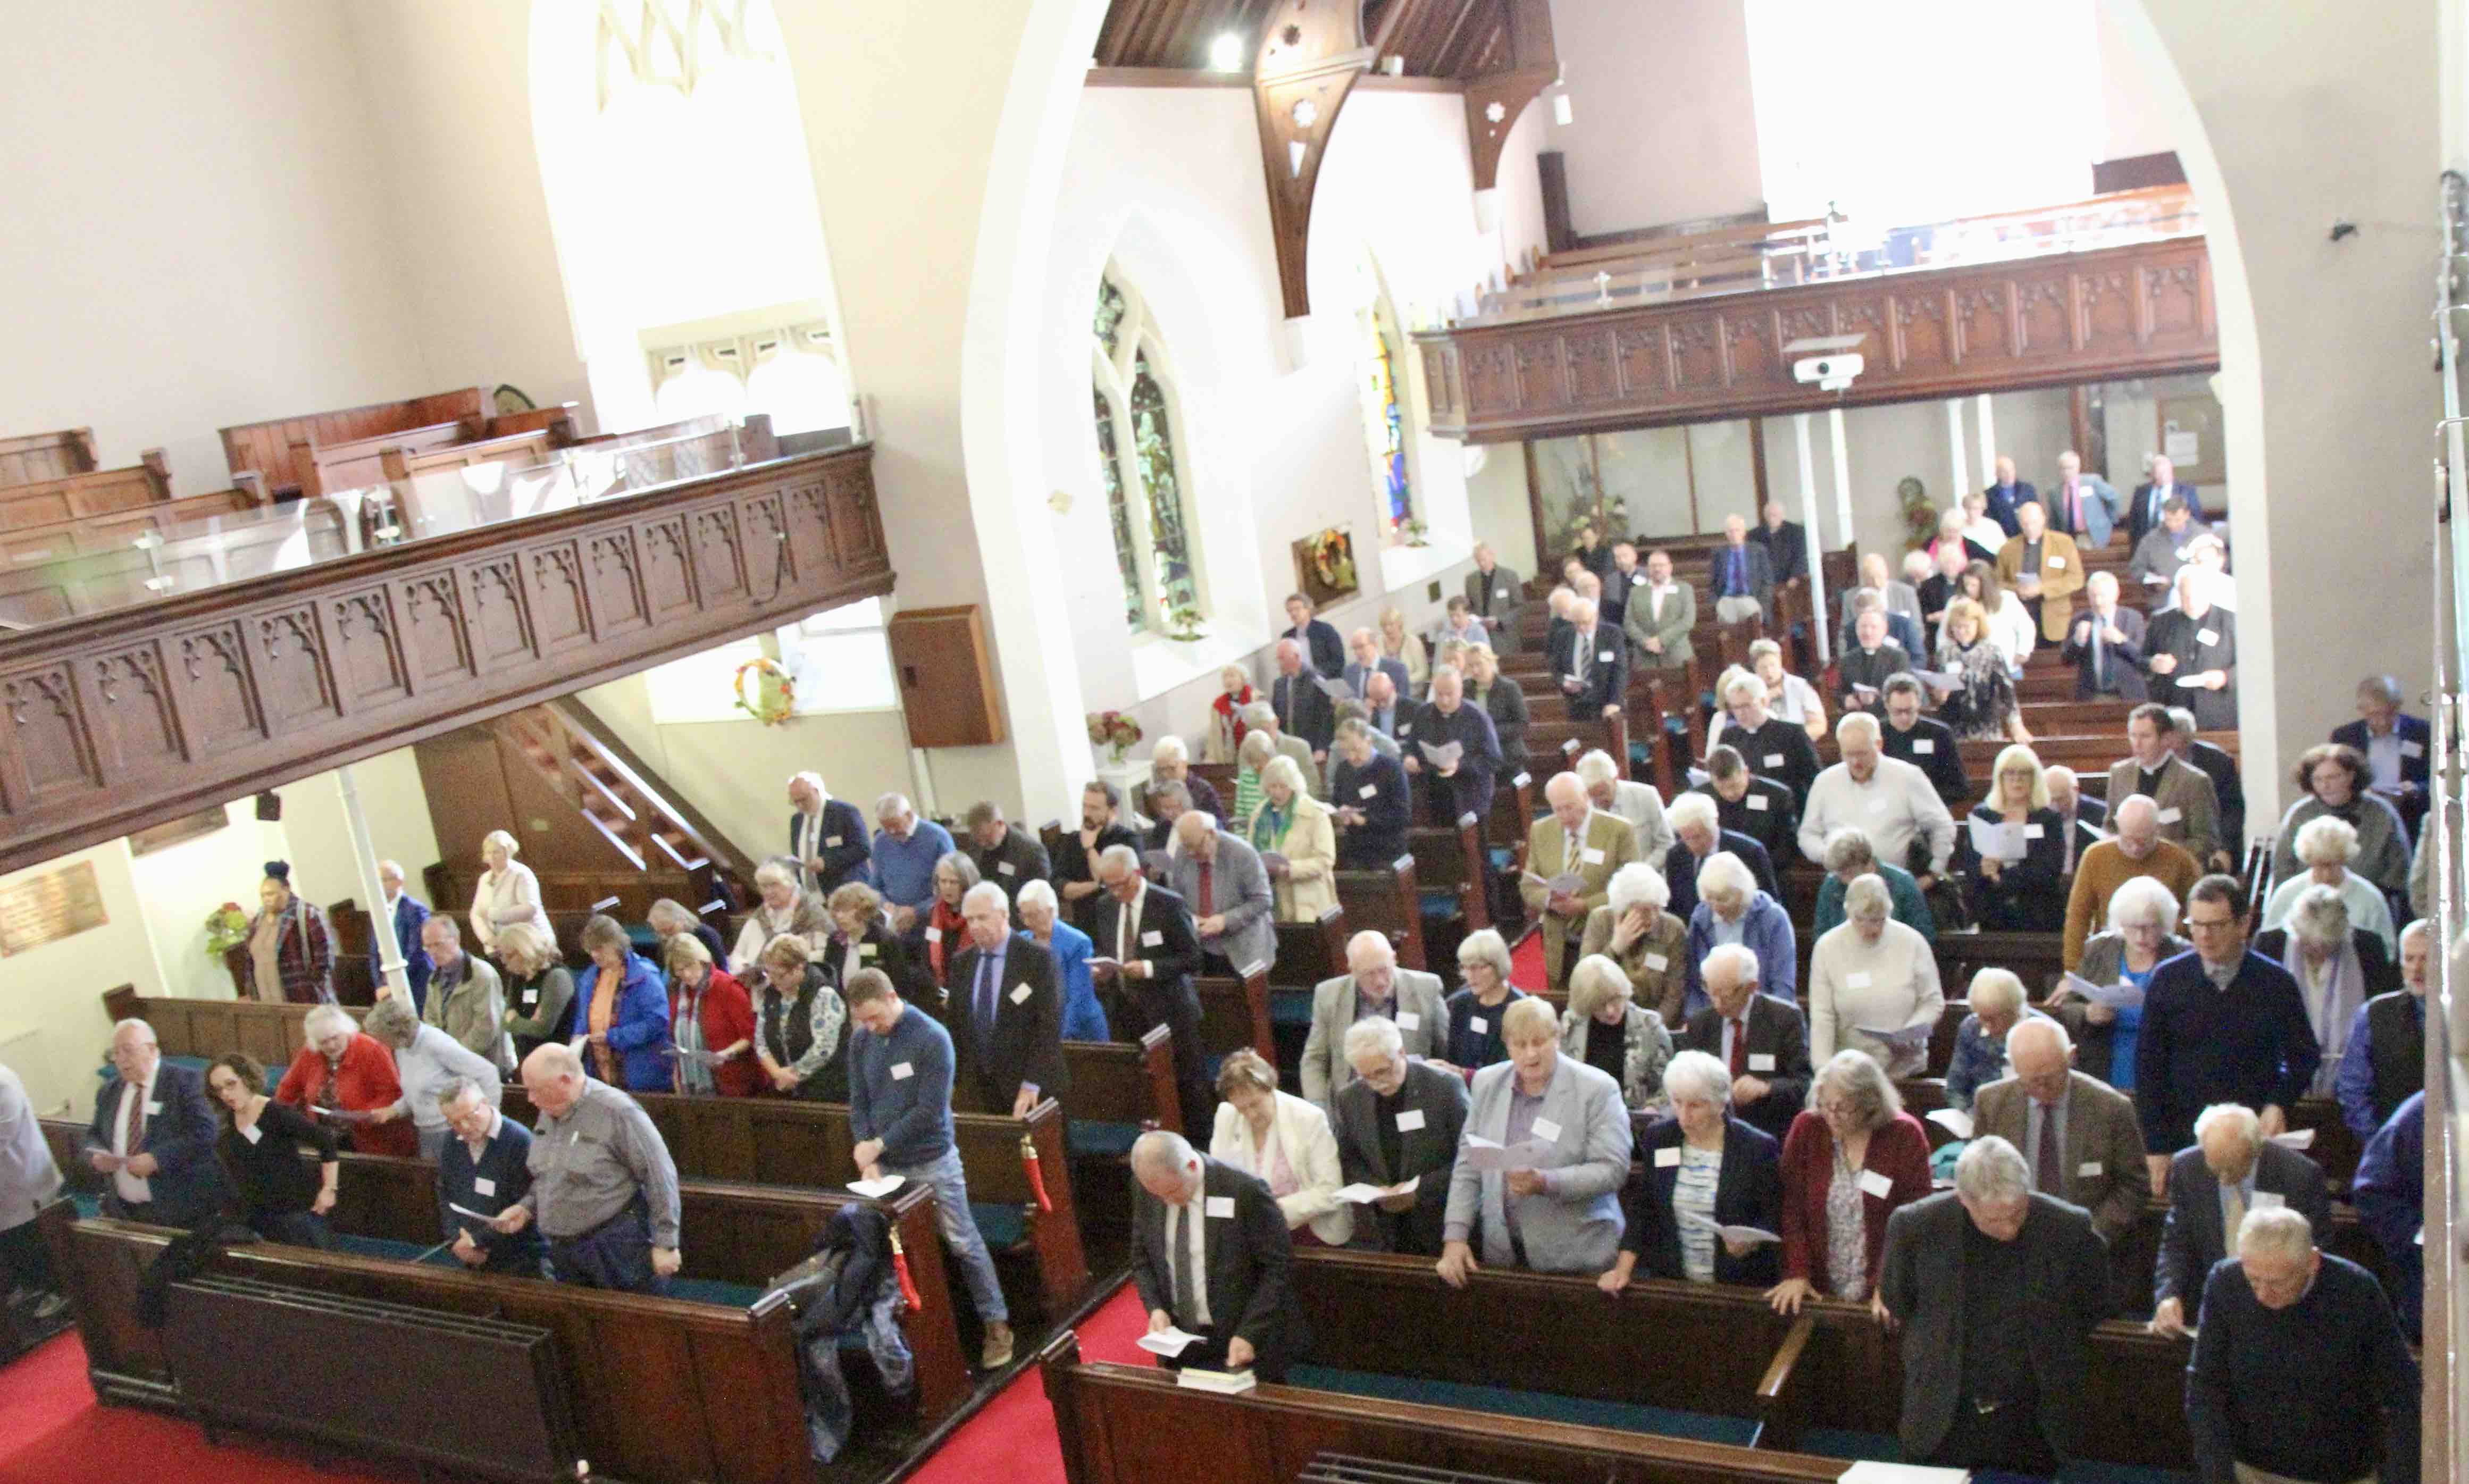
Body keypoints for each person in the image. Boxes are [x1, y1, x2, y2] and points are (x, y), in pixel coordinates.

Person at [1877, 1136, 2111, 1474]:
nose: (2010, 1229)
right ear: (1963, 1200)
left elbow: (2093, 1303)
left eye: (2018, 1213)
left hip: (2034, 1415)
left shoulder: (2069, 1227)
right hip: (1944, 1408)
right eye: (1994, 1220)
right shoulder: (1916, 1226)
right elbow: (1898, 1297)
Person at [843, 969, 1016, 1368]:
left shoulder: (932, 1038)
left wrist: (879, 1144)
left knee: (962, 1242)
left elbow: (929, 1111)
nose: (872, 1026)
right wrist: (865, 1151)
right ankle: (922, 1336)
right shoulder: (861, 1040)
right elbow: (860, 1101)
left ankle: (997, 1322)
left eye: (875, 1017)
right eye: (863, 1021)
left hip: (932, 1159)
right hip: (886, 1165)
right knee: (898, 1247)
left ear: (891, 996)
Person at [2186, 1207, 2420, 1484]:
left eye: (2277, 1283)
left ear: (2313, 1262)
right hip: (2252, 1469)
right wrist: (2218, 1474)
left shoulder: (2357, 1291)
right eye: (2254, 1280)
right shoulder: (2225, 1282)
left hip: (2340, 1472)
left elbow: (2404, 1393)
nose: (2263, 1295)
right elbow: (2204, 1384)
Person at [2137, 876, 2322, 1186]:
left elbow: (2304, 1055)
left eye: (2217, 926)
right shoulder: (2169, 980)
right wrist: (2156, 1146)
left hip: (2252, 1135)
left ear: (2244, 924)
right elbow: (2149, 1068)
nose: (2204, 936)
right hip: (2186, 1134)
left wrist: (2279, 1102)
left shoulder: (2275, 983)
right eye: (2196, 925)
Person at [1439, 997, 1634, 1284]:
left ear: (1557, 1038)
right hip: (1503, 1252)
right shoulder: (1487, 1082)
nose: (1531, 1054)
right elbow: (1469, 1164)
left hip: (1577, 1256)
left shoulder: (1598, 1089)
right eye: (1520, 1045)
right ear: (1507, 1045)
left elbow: (1613, 1169)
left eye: (1539, 1042)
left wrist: (1546, 1181)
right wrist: (1455, 1236)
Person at [489, 1043, 681, 1296]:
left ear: (565, 1080)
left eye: (536, 1090)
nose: (531, 1099)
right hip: (564, 1252)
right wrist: (527, 1207)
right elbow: (550, 1173)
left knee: (633, 1328)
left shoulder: (617, 1112)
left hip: (615, 1247)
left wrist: (665, 1243)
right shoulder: (551, 1108)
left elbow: (660, 1175)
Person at [1597, 1049, 1782, 1292]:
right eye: (1677, 1102)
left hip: (1737, 1286)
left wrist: (1751, 1242)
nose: (1684, 1117)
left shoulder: (1756, 1147)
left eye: (1696, 1106)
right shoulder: (1661, 1137)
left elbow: (1774, 1215)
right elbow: (1645, 1208)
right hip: (1672, 1281)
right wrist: (1622, 1270)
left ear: (1720, 1103)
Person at [1768, 1050, 1931, 1314]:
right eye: (1825, 1104)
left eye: (1843, 1108)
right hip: (1818, 1289)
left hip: (1883, 1289)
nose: (1831, 1115)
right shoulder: (1808, 1128)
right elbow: (1792, 1207)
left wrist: (1888, 1282)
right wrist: (1797, 1271)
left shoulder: (1904, 1135)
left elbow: (1915, 1219)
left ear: (1871, 1103)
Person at [1131, 1128, 1302, 1380]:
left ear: (1191, 1165)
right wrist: (1155, 1307)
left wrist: (1250, 1332)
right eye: (1158, 1195)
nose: (1166, 1202)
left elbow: (1279, 1267)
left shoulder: (1244, 1190)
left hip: (1243, 1340)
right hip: (1180, 1342)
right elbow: (1142, 1257)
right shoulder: (1148, 1187)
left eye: (1173, 1192)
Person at [2153, 1103, 2333, 1334]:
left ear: (2256, 1148)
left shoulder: (2300, 1176)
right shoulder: (2188, 1168)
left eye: (2234, 1168)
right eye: (2217, 1169)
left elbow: (2317, 1252)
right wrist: (2168, 1295)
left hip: (2283, 1308)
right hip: (2212, 1306)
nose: (2226, 1180)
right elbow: (2176, 1243)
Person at [1972, 1019, 2150, 1248]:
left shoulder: (2111, 1108)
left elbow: (2133, 1186)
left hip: (2089, 1244)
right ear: (2013, 1067)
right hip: (2012, 1245)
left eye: (2051, 1078)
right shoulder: (1992, 1103)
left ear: (2071, 1056)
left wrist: (2089, 1238)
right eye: (2032, 1081)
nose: (2043, 1089)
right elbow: (1981, 1179)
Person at [1092, 844, 1212, 1134]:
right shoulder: (1106, 906)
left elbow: (1193, 958)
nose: (1116, 893)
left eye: (1120, 885)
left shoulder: (1168, 904)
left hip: (1171, 1011)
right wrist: (1104, 971)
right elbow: (1109, 946)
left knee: (1188, 1085)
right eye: (1109, 886)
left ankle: (1200, 1144)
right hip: (1127, 1009)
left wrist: (1149, 968)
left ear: (1136, 873)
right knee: (1141, 1084)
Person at [1332, 1017, 1468, 1256]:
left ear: (1402, 1052)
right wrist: (1377, 1189)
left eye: (1383, 1071)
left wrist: (1420, 1192)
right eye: (1367, 1076)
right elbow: (1349, 1158)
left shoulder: (1444, 1088)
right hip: (1385, 1229)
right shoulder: (1350, 1098)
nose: (1377, 1083)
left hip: (1441, 1219)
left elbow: (1469, 1158)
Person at [2255, 884, 2397, 1102]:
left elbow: (2379, 1024)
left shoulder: (2368, 948)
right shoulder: (2270, 945)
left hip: (2353, 1083)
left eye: (2327, 946)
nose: (2317, 952)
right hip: (2284, 1078)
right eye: (2309, 945)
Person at [2049, 875, 2187, 1091]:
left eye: (2150, 927)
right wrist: (2088, 1013)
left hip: (2164, 1063)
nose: (2141, 936)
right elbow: (2066, 1007)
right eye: (2133, 927)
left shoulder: (2182, 954)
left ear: (2164, 924)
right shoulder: (2100, 949)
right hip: (2104, 1060)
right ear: (2120, 923)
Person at [943, 880, 1066, 1117]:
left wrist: (1032, 1083)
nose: (975, 926)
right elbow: (956, 1025)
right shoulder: (961, 963)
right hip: (980, 1087)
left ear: (1005, 915)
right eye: (970, 920)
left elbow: (1049, 1026)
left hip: (1031, 1085)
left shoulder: (1038, 959)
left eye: (983, 918)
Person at [83, 1020, 224, 1227]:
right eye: (116, 1053)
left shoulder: (185, 1082)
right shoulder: (109, 1091)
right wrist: (97, 1155)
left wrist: (157, 1159)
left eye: (128, 1050)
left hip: (180, 1210)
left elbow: (205, 1133)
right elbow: (94, 1134)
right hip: (124, 1211)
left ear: (152, 1050)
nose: (121, 1059)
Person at [1807, 874, 1943, 1077]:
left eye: (1878, 921)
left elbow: (1933, 1002)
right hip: (1851, 1070)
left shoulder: (1912, 942)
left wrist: (1911, 1033)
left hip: (1906, 1066)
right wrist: (1823, 1070)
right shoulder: (1828, 947)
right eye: (1860, 920)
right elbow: (1822, 1015)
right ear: (1848, 911)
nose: (1870, 929)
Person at [1796, 712, 1955, 883]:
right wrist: (1829, 854)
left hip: (1897, 884)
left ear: (1879, 744)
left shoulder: (1908, 777)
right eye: (1848, 754)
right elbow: (1808, 835)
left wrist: (1933, 873)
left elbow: (1942, 826)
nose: (1856, 762)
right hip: (1841, 882)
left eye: (1862, 753)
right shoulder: (1825, 782)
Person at [1210, 1050, 1348, 1246]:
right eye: (1241, 1108)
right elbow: (1219, 1182)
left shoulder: (1308, 1118)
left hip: (1305, 1228)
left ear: (1270, 1088)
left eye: (1255, 1104)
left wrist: (1269, 1212)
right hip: (1248, 1232)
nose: (1250, 1115)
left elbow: (1330, 1191)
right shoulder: (1227, 1116)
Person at [1302, 928, 1449, 1106]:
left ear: (1394, 959)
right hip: (1354, 1102)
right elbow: (1315, 1059)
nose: (1380, 981)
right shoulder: (1328, 995)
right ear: (1352, 971)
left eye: (1384, 970)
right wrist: (1317, 1107)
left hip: (1413, 1095)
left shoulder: (1427, 989)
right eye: (1369, 974)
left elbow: (1447, 1049)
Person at [1681, 943, 1812, 1142]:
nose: (1717, 1003)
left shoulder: (1784, 1019)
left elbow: (1803, 1085)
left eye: (1725, 995)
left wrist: (1767, 1088)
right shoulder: (1700, 1024)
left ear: (1751, 987)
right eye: (1711, 992)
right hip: (1711, 1130)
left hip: (1765, 1129)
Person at [1521, 772, 1640, 991]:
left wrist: (1585, 905)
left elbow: (1632, 886)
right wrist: (1550, 900)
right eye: (1558, 809)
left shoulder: (1619, 830)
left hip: (1605, 937)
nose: (1565, 815)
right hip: (1560, 940)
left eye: (1570, 807)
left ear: (1585, 797)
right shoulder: (1541, 831)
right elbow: (1528, 885)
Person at [205, 1054, 337, 1248]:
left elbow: (325, 1141)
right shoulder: (227, 1121)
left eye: (230, 1084)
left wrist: (329, 1189)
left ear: (247, 1079)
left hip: (294, 1212)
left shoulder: (275, 1113)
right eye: (219, 1090)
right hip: (255, 1215)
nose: (225, 1094)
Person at [2062, 794, 2201, 969]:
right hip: (2109, 957)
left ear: (2157, 829)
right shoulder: (2095, 856)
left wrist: (2163, 924)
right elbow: (2078, 917)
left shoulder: (2179, 860)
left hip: (2164, 957)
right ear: (2117, 826)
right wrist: (2073, 971)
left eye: (2143, 841)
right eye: (2128, 839)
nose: (2135, 848)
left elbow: (2197, 915)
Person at [364, 993, 501, 1160]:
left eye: (383, 1039)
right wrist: (394, 1110)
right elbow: (415, 1091)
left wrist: (489, 1121)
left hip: (453, 1133)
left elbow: (488, 1073)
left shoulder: (435, 1042)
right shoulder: (402, 1048)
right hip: (426, 1133)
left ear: (397, 1032)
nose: (383, 1045)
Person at [2270, 742, 2412, 899]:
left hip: (2371, 902)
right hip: (2310, 902)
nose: (2325, 785)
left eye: (2333, 777)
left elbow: (2399, 867)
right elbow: (2282, 868)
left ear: (2351, 776)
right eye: (2318, 779)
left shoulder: (2381, 813)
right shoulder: (2300, 814)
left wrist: (2369, 896)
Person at [435, 1077, 546, 1277]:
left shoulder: (519, 1141)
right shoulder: (452, 1140)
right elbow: (445, 1191)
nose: (465, 1127)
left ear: (485, 1103)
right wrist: (457, 1240)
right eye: (455, 1122)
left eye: (470, 1116)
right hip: (469, 1251)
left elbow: (529, 1204)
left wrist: (477, 1241)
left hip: (519, 1257)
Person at [274, 1003, 416, 1158]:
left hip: (369, 1138)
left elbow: (392, 1093)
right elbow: (288, 1088)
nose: (331, 1046)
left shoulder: (372, 1049)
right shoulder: (311, 1052)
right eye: (323, 1042)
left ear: (347, 1031)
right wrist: (276, 1113)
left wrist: (362, 1115)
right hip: (324, 1134)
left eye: (335, 1038)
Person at [1955, 743, 2069, 931]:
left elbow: (2050, 869)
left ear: (2035, 778)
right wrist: (1983, 869)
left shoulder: (2048, 818)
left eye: (2024, 774)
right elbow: (1970, 866)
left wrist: (2003, 878)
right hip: (1992, 912)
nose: (2017, 780)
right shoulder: (1982, 815)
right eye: (2010, 774)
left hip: (2039, 912)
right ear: (2000, 778)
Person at [2336, 919, 2430, 1138]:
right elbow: (2353, 1088)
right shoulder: (2374, 1014)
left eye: (2426, 959)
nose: (2417, 969)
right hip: (2391, 1143)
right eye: (2409, 959)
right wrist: (2381, 1143)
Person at [2105, 704, 2224, 868]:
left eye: (2145, 737)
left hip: (2174, 873)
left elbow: (2206, 840)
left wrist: (2160, 855)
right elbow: (2110, 825)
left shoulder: (2194, 781)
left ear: (2166, 739)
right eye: (2133, 736)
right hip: (2127, 869)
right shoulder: (2119, 773)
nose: (2137, 744)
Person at [1683, 851, 1796, 1018]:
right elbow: (1694, 983)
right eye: (1709, 899)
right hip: (1714, 1017)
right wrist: (1698, 1022)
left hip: (1763, 1017)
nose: (1715, 907)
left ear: (1741, 893)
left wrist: (1768, 1023)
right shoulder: (1701, 919)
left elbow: (1783, 984)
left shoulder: (1773, 918)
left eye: (1722, 899)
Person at [2261, 818, 2398, 955]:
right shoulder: (2287, 894)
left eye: (2333, 865)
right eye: (2319, 865)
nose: (2326, 875)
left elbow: (2387, 950)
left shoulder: (2370, 898)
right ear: (2308, 860)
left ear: (2344, 859)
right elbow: (2268, 945)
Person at [1559, 955, 1675, 1112]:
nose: (1610, 1011)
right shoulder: (1571, 1025)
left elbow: (1670, 1086)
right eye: (1599, 1005)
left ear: (1624, 992)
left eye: (1615, 999)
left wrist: (1653, 1107)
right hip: (1584, 1120)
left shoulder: (1650, 1026)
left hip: (1636, 1123)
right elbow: (1561, 1081)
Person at [1577, 861, 1688, 1024]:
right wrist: (1615, 947)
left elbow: (1674, 995)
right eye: (1644, 911)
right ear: (1622, 908)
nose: (1653, 917)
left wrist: (1651, 1028)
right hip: (1604, 1018)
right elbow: (1585, 982)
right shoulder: (1600, 920)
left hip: (1655, 1023)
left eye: (1657, 908)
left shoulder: (1673, 929)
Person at [1166, 812, 1274, 979]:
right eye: (1187, 847)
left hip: (1244, 949)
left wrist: (1225, 920)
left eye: (1196, 846)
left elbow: (1263, 900)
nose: (1192, 853)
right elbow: (1176, 896)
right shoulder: (1184, 853)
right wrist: (1191, 919)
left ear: (1212, 834)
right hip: (1202, 948)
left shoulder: (1243, 854)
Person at [572, 914, 671, 1093]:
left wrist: (613, 1037)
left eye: (600, 949)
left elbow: (657, 1022)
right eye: (591, 950)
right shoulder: (589, 977)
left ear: (615, 944)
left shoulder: (644, 977)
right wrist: (578, 1034)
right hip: (599, 1074)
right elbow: (583, 1015)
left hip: (640, 1074)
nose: (595, 955)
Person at [752, 927, 851, 1101]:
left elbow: (823, 1048)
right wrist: (777, 1073)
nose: (773, 981)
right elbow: (761, 1040)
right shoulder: (772, 993)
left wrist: (793, 1075)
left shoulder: (823, 994)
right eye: (769, 974)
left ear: (799, 968)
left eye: (780, 975)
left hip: (824, 1088)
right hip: (783, 1085)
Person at [2332, 674, 2431, 840]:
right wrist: (2361, 791)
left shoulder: (2423, 732)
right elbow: (2336, 779)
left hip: (2411, 820)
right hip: (2361, 821)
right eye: (2375, 715)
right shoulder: (2345, 738)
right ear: (2361, 710)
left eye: (2390, 714)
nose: (2383, 722)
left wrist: (2416, 789)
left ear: (2399, 706)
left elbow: (2439, 777)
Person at [1943, 968, 2054, 1114]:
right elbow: (1955, 1088)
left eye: (1993, 1018)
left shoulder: (2043, 1031)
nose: (1987, 1026)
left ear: (2014, 1010)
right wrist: (1969, 1115)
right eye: (1982, 1017)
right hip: (1981, 1115)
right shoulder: (1971, 1028)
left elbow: (2056, 1089)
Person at [1708, 667, 1821, 811]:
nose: (1741, 714)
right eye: (1736, 708)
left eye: (1747, 706)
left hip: (1788, 810)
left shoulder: (1792, 734)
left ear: (1764, 701)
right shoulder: (1729, 736)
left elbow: (1814, 778)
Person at [1401, 665, 1501, 827]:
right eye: (1439, 694)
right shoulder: (1423, 714)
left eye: (1450, 694)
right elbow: (1410, 746)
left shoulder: (1477, 717)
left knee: (1475, 848)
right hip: (1435, 794)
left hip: (1470, 796)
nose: (1444, 700)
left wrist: (1460, 765)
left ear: (1460, 691)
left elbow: (1494, 759)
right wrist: (1409, 758)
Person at [1663, 790, 1780, 924]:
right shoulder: (1676, 856)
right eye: (1686, 838)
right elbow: (1674, 907)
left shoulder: (1749, 852)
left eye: (1697, 837)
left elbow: (1770, 904)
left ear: (1714, 824)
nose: (1692, 845)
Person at [663, 934, 758, 1096]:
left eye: (690, 966)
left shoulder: (728, 988)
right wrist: (677, 1076)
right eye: (679, 970)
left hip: (731, 1084)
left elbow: (751, 1035)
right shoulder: (676, 991)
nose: (686, 974)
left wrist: (726, 1054)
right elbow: (675, 1036)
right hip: (689, 1083)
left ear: (702, 961)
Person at [2145, 566, 2238, 730]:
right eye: (2186, 597)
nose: (2192, 603)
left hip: (2220, 712)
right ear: (2178, 594)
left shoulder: (2231, 621)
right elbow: (2141, 660)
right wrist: (2153, 664)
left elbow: (2252, 664)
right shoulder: (2160, 622)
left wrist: (2225, 678)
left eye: (2197, 596)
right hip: (2173, 712)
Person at [1247, 754, 1336, 925]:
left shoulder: (1315, 814)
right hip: (1271, 903)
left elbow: (1326, 861)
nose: (1277, 792)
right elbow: (1250, 854)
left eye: (1283, 786)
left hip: (1308, 903)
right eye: (1272, 786)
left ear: (1294, 786)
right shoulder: (1259, 815)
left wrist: (1288, 869)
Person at [1018, 879, 1109, 1042]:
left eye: (1033, 915)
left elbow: (1078, 998)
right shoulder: (1023, 941)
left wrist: (1058, 1039)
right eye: (1024, 916)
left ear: (1052, 910)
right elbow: (1023, 988)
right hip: (1042, 1030)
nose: (1027, 922)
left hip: (1080, 1032)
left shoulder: (1077, 943)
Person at [1811, 826, 1936, 943]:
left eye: (1848, 873)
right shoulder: (1832, 883)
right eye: (1839, 874)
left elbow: (1923, 936)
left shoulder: (1903, 883)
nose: (1842, 880)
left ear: (1869, 866)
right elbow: (1821, 935)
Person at [420, 915, 509, 1072]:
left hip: (483, 1065)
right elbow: (430, 1020)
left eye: (438, 945)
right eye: (428, 947)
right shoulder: (434, 978)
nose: (433, 952)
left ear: (456, 939)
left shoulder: (482, 975)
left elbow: (486, 1028)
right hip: (450, 1064)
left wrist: (454, 1056)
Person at [1932, 597, 2027, 742]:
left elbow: (2007, 691)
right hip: (1954, 727)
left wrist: (2017, 727)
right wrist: (1940, 694)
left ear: (1978, 625)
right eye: (1957, 627)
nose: (1962, 632)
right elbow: (1939, 694)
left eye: (1967, 626)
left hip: (1986, 726)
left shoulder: (1991, 653)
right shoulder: (1945, 654)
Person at [1054, 780, 1139, 938]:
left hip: (1121, 927)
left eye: (1094, 808)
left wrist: (1089, 849)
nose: (1087, 813)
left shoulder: (1128, 840)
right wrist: (1095, 886)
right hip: (1086, 928)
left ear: (1112, 811)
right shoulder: (1072, 840)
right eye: (1084, 806)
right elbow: (1060, 887)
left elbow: (1106, 879)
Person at [242, 860, 335, 1004]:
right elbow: (250, 959)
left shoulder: (307, 914)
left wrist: (314, 984)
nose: (266, 899)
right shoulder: (259, 920)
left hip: (302, 996)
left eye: (271, 894)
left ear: (286, 890)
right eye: (263, 896)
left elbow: (325, 957)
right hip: (267, 1000)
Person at [869, 793, 957, 944]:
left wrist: (918, 911)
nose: (891, 832)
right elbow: (875, 885)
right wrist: (884, 904)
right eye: (885, 827)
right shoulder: (881, 841)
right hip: (895, 927)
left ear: (908, 815)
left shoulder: (937, 837)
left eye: (895, 825)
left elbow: (953, 887)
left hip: (933, 923)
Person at [1996, 496, 2085, 642]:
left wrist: (2042, 589)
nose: (2030, 528)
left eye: (2034, 523)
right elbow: (1997, 583)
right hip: (2020, 616)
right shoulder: (2008, 548)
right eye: (2025, 524)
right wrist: (2016, 589)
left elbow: (2076, 579)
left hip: (2055, 617)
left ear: (2043, 519)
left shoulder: (2063, 543)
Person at [1325, 719, 1411, 869]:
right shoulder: (1343, 770)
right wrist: (1340, 814)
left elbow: (1402, 815)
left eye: (1356, 750)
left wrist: (1365, 821)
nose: (1352, 757)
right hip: (1356, 849)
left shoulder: (1391, 769)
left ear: (1369, 741)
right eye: (1346, 752)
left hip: (1388, 851)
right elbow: (1337, 802)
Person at [2167, 705, 2247, 857]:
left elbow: (2232, 811)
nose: (2172, 752)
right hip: (2172, 840)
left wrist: (2224, 849)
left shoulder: (2219, 763)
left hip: (2213, 842)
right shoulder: (2159, 762)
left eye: (2177, 748)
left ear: (2188, 740)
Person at [1695, 744, 1795, 864]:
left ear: (1746, 772)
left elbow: (1786, 847)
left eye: (1734, 786)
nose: (1729, 794)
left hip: (1765, 868)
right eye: (1721, 788)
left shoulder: (1778, 796)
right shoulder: (1700, 799)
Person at [494, 922, 577, 1065]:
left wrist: (515, 1020)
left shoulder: (556, 977)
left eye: (508, 956)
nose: (504, 962)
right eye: (501, 956)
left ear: (524, 951)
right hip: (527, 1058)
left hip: (556, 1061)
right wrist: (526, 1023)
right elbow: (505, 1022)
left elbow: (542, 1029)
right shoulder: (518, 976)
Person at [1574, 748, 1672, 868]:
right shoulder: (1583, 808)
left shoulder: (1646, 796)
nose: (1598, 801)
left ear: (1616, 779)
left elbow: (1666, 844)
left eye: (1602, 793)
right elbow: (1585, 852)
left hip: (1646, 876)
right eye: (1592, 796)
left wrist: (1644, 870)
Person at [1877, 673, 1970, 799]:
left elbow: (1960, 786)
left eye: (1910, 711)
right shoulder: (1876, 733)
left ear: (1919, 704)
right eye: (1898, 711)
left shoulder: (1940, 734)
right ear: (1887, 706)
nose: (1904, 717)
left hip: (1930, 805)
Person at [731, 859, 829, 976]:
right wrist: (746, 968)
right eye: (764, 886)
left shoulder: (812, 913)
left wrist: (785, 964)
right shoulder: (760, 916)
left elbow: (826, 953)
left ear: (790, 884)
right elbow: (737, 954)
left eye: (774, 885)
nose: (768, 892)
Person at [1443, 928, 1525, 1070]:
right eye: (1465, 968)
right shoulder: (1460, 1004)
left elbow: (1512, 1069)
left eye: (1476, 968)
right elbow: (1452, 1058)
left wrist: (1465, 1074)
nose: (1470, 976)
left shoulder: (1520, 1009)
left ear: (1498, 965)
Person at [2061, 571, 2149, 701]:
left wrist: (2122, 641)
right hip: (2092, 696)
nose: (2098, 602)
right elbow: (2066, 661)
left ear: (2115, 594)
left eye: (2102, 596)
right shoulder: (2079, 620)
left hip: (2128, 695)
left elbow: (2144, 658)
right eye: (2093, 596)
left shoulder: (2133, 618)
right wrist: (2078, 642)